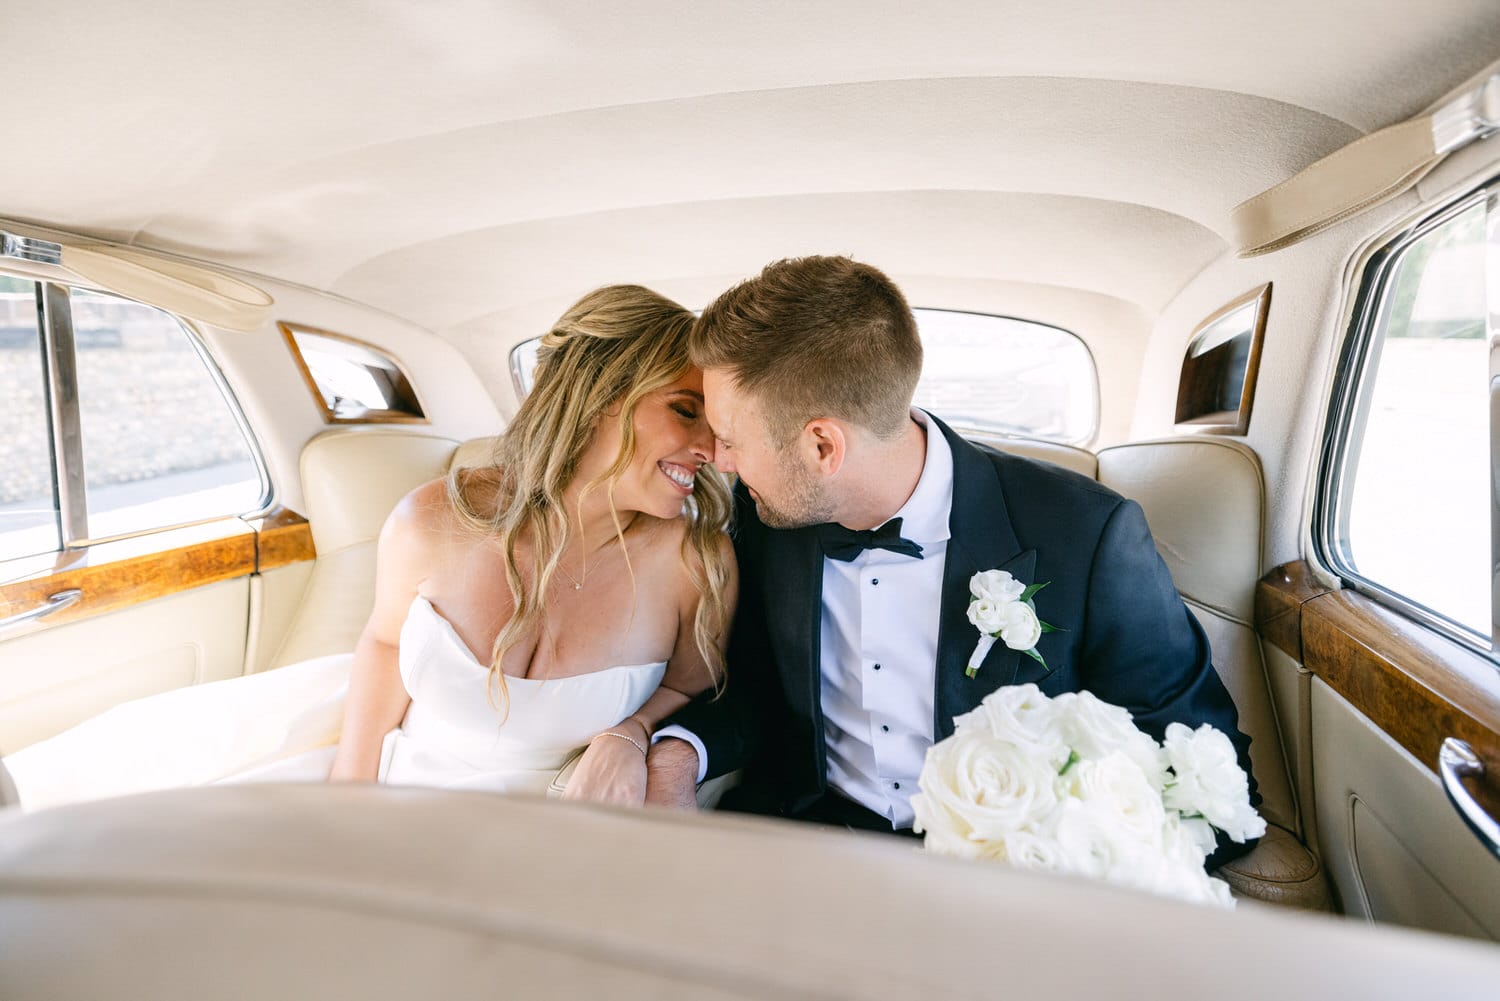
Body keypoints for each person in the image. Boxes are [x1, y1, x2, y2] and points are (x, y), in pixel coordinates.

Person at [6, 285, 737, 809]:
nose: (711, 446)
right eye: (685, 410)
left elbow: (693, 690)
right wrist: (350, 805)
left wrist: (630, 734)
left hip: (545, 834)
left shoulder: (697, 564)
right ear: (600, 397)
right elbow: (385, 648)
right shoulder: (432, 521)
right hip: (387, 793)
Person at [644, 256, 1259, 867]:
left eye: (732, 439)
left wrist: (1077, 860)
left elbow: (1204, 772)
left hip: (1000, 877)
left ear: (822, 445)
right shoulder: (768, 518)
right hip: (808, 844)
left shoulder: (1088, 534)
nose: (719, 461)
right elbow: (754, 688)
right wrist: (675, 754)